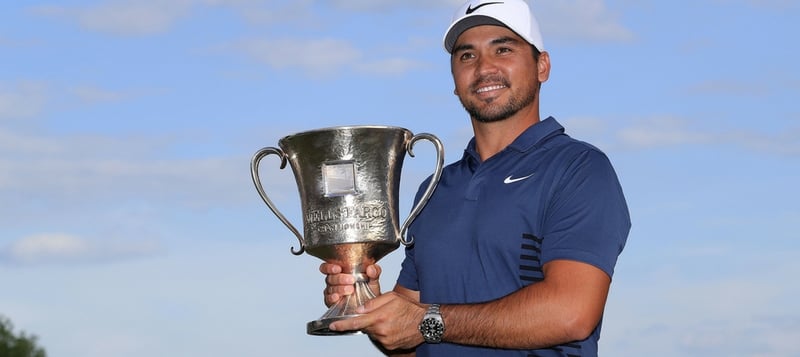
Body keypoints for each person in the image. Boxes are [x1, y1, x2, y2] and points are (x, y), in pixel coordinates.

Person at [320, 0, 631, 356]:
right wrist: (368, 305)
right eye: (467, 56)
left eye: (503, 49)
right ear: (454, 80)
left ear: (542, 66)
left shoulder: (579, 167)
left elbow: (571, 312)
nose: (485, 68)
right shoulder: (435, 189)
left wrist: (425, 321)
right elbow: (410, 341)